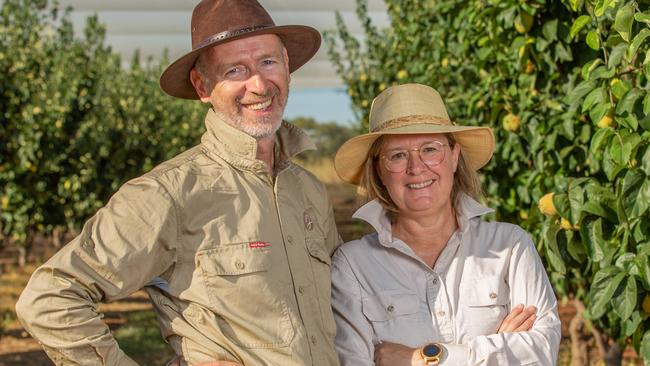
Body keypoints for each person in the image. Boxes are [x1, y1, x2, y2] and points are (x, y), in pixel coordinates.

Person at [15, 1, 341, 365]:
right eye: (235, 70)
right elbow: (50, 297)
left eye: (268, 62)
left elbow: (342, 308)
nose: (259, 84)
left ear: (287, 68)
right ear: (203, 86)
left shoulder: (309, 189)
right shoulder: (168, 194)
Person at [330, 83, 561, 365]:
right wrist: (498, 351)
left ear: (454, 156)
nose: (416, 167)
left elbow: (540, 353)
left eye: (430, 149)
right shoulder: (353, 265)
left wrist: (420, 359)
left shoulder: (509, 247)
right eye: (398, 155)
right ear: (379, 170)